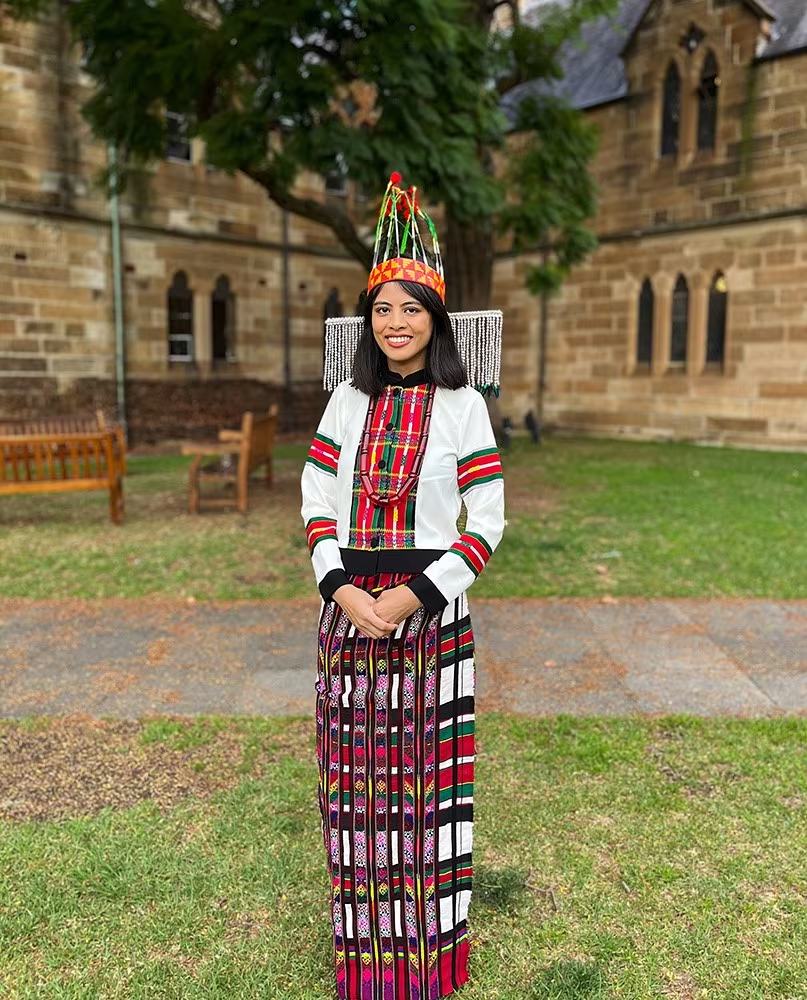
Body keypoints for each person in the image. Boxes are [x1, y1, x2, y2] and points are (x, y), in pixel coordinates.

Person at [301, 174, 505, 1000]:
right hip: (348, 616)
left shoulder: (463, 406)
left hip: (430, 619)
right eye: (383, 309)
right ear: (367, 318)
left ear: (436, 319)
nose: (395, 323)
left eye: (411, 309)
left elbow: (486, 521)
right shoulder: (345, 404)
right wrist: (341, 589)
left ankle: (427, 963)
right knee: (355, 789)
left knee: (423, 794)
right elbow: (316, 501)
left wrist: (415, 594)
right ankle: (365, 962)